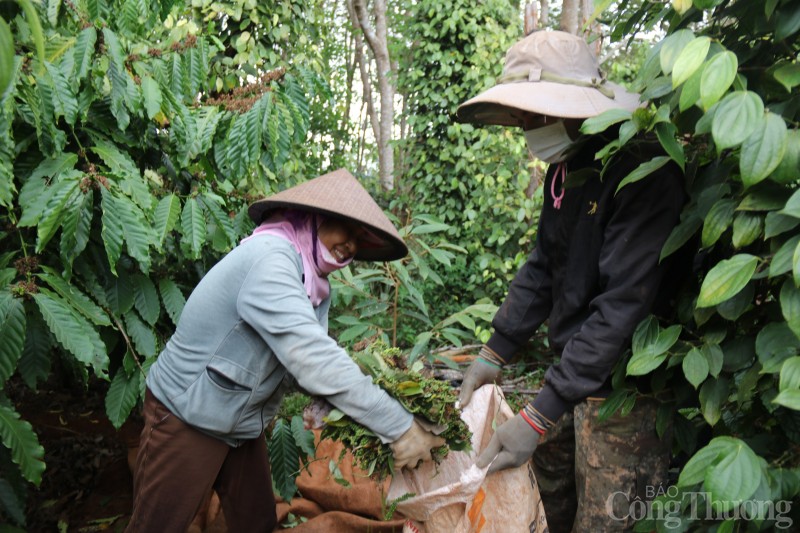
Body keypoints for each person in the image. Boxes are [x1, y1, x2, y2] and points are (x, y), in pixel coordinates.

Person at [126, 168, 445, 532]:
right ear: (314, 217)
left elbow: (301, 364)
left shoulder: (313, 282)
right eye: (347, 229)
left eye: (361, 239)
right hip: (187, 415)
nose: (352, 245)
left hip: (240, 423)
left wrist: (330, 407)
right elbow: (311, 358)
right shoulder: (271, 259)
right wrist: (399, 427)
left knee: (258, 522)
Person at [454, 31, 686, 531]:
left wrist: (538, 415)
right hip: (573, 371)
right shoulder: (567, 167)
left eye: (536, 116)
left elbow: (625, 306)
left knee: (607, 523)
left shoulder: (643, 168)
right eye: (523, 118)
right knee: (544, 504)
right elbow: (545, 263)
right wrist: (495, 351)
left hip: (628, 391)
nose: (527, 128)